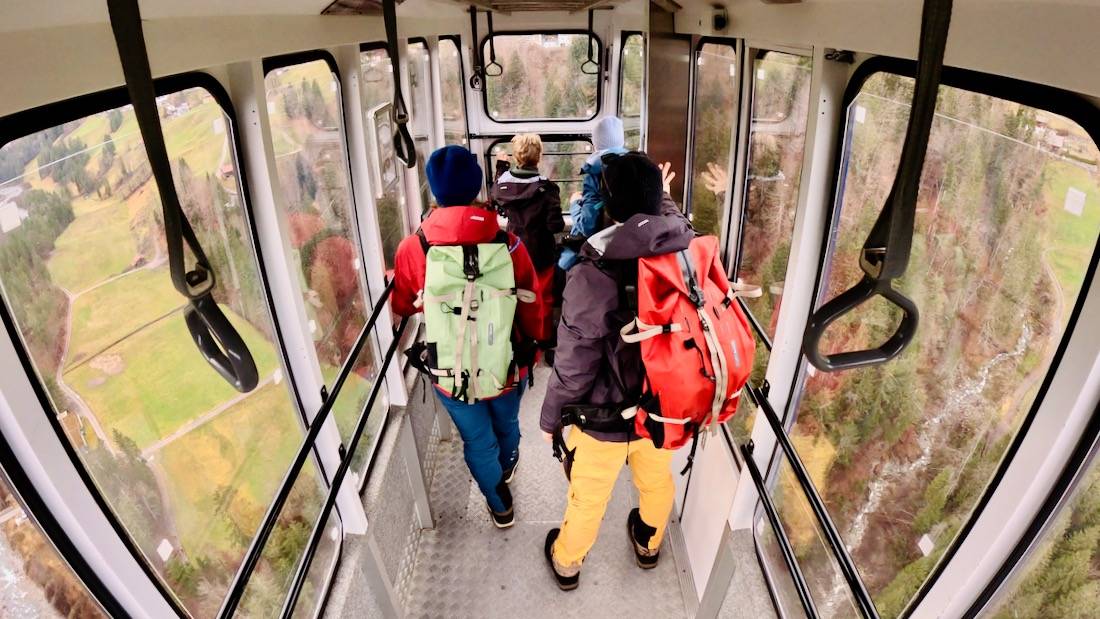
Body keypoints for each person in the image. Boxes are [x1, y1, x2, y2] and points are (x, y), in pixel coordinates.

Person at [540, 152, 694, 590]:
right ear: (654, 201)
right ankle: (648, 542)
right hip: (663, 405)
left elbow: (572, 364)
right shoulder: (683, 252)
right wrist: (664, 200)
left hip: (603, 417)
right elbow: (671, 225)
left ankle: (567, 563)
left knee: (588, 496)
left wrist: (550, 420)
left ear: (608, 203)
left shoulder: (594, 273)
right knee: (656, 481)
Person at [391, 145, 543, 529]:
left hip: (451, 370)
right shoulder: (508, 244)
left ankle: (499, 504)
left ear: (435, 191)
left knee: (477, 441)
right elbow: (531, 306)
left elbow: (405, 304)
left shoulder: (414, 248)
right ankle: (508, 466)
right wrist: (532, 353)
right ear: (478, 186)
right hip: (508, 365)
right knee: (507, 425)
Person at [490, 134, 565, 359]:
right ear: (539, 157)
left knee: (516, 293)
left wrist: (501, 166)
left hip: (513, 251)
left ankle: (521, 335)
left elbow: (498, 192)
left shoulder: (502, 186)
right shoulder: (547, 189)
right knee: (542, 297)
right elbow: (555, 226)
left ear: (516, 157)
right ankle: (542, 337)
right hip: (541, 252)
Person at [557, 116, 629, 272]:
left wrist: (575, 203)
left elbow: (587, 226)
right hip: (628, 247)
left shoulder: (596, 174)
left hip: (601, 250)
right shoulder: (635, 167)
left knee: (561, 268)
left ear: (597, 143)